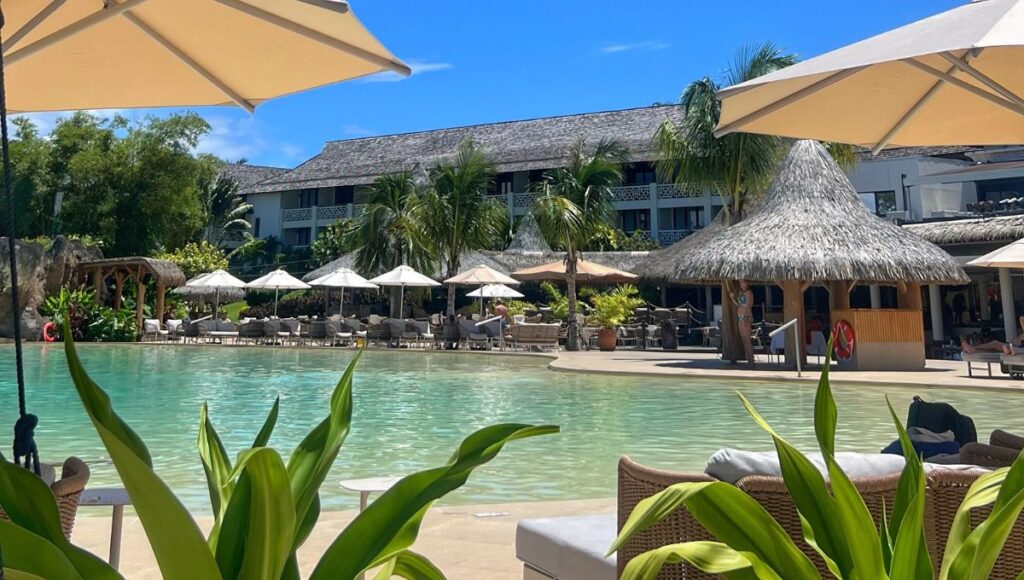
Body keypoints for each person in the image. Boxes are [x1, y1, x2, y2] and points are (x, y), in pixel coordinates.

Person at [729, 280, 755, 364]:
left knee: (747, 340)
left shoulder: (748, 293)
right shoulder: (741, 292)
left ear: (747, 283)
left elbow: (745, 306)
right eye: (741, 283)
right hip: (740, 317)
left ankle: (751, 360)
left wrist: (732, 299)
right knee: (744, 340)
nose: (742, 284)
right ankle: (749, 359)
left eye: (743, 282)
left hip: (745, 317)